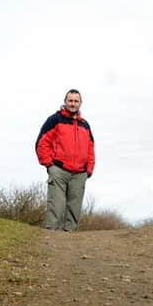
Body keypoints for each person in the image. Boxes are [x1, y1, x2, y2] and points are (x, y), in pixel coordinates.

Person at [35, 89, 95, 231]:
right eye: (70, 100)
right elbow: (41, 143)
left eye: (76, 101)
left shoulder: (85, 125)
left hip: (80, 173)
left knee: (74, 209)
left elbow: (90, 149)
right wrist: (49, 165)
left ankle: (69, 242)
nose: (73, 104)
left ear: (80, 103)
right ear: (65, 102)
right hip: (59, 170)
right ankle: (51, 239)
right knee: (56, 206)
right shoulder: (54, 120)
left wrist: (89, 170)